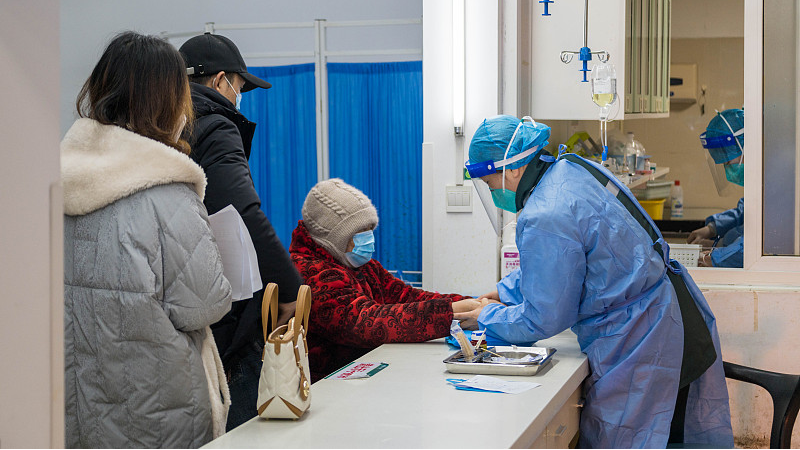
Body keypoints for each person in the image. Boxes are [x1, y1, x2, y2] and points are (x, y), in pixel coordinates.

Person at [457, 115, 733, 448]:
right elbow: (577, 257)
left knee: (631, 438)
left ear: (512, 169)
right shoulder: (570, 169)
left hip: (643, 338)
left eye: (490, 183)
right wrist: (504, 292)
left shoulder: (544, 213)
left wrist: (484, 316)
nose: (493, 191)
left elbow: (544, 318)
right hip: (671, 312)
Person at [62, 32, 232, 448]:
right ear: (169, 101)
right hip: (156, 411)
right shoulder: (168, 196)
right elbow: (204, 303)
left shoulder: (55, 185)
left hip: (75, 405)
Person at [178, 32, 305, 430]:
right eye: (239, 85)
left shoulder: (166, 127)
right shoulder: (215, 125)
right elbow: (242, 211)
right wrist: (288, 288)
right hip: (226, 307)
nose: (240, 95)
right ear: (219, 82)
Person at [289, 178, 481, 382]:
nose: (368, 239)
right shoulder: (310, 273)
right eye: (359, 233)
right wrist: (450, 313)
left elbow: (405, 296)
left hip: (366, 378)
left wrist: (472, 302)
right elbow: (365, 321)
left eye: (369, 230)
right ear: (332, 238)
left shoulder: (360, 265)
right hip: (325, 389)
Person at [688, 108, 745, 268]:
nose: (728, 169)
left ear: (744, 145)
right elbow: (748, 213)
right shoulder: (762, 179)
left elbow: (756, 245)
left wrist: (714, 258)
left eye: (727, 162)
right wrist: (712, 229)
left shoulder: (778, 181)